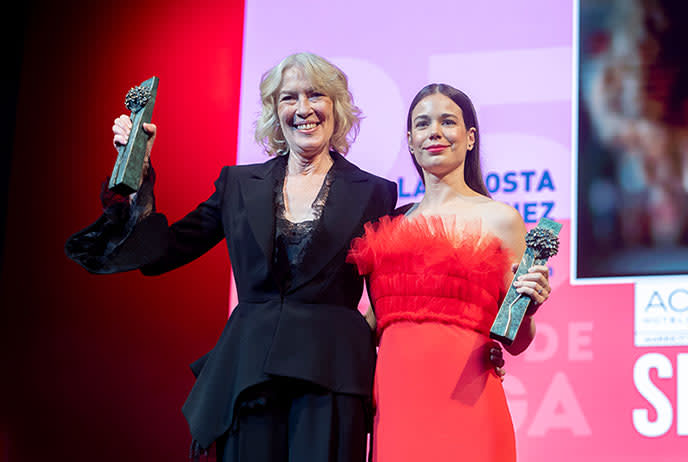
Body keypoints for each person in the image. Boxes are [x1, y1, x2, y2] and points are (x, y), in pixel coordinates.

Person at [66, 52, 399, 462]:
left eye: (316, 95)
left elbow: (391, 297)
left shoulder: (376, 193)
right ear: (275, 113)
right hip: (249, 376)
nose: (303, 109)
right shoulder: (239, 185)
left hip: (331, 379)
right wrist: (138, 169)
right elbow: (163, 252)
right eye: (288, 98)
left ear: (337, 106)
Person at [347, 83, 551, 462]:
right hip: (397, 406)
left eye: (448, 122)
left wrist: (530, 308)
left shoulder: (501, 219)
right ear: (410, 140)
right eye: (423, 124)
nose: (435, 132)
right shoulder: (389, 225)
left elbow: (517, 340)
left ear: (470, 138)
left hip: (470, 403)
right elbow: (374, 325)